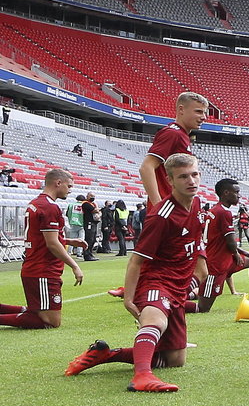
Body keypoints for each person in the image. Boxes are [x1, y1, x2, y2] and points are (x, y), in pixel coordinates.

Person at [64, 153, 203, 392]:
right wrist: (128, 297)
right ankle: (142, 376)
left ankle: (105, 355)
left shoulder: (197, 204)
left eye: (194, 174)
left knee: (175, 359)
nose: (191, 181)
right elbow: (136, 261)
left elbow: (193, 245)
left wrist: (197, 276)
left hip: (178, 286)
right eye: (183, 177)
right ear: (170, 180)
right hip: (156, 281)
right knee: (154, 321)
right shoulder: (161, 216)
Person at [0, 169, 87, 330]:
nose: (70, 189)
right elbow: (52, 244)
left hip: (35, 267)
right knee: (51, 321)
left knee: (39, 312)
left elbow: (40, 237)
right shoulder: (49, 207)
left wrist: (68, 240)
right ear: (58, 183)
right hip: (43, 270)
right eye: (69, 186)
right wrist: (75, 266)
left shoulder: (35, 203)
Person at [198, 179, 249, 312]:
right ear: (226, 193)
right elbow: (230, 241)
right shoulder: (223, 212)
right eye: (236, 192)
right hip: (216, 264)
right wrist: (237, 253)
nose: (239, 195)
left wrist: (241, 251)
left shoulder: (215, 210)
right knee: (203, 308)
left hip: (226, 259)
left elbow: (225, 240)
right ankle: (169, 306)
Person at [140, 92, 207, 208]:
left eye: (204, 112)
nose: (203, 117)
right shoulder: (173, 134)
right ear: (181, 110)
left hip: (174, 207)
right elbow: (146, 167)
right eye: (198, 111)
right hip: (167, 209)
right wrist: (158, 205)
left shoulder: (182, 135)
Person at [80, 193, 99, 262]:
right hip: (89, 223)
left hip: (93, 223)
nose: (93, 198)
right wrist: (97, 207)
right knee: (89, 239)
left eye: (94, 196)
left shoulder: (92, 204)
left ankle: (90, 253)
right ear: (87, 196)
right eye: (91, 196)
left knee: (93, 239)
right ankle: (86, 254)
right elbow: (95, 210)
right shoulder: (86, 204)